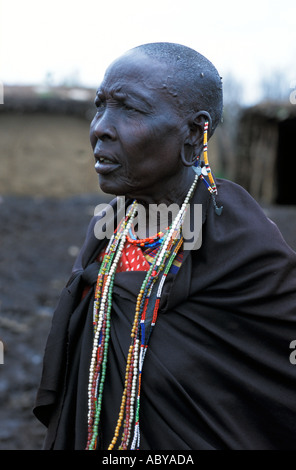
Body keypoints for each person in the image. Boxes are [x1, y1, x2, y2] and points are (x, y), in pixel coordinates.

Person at [34, 42, 296, 450]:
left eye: (130, 109)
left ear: (195, 132)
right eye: (100, 106)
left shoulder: (240, 242)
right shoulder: (108, 229)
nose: (101, 127)